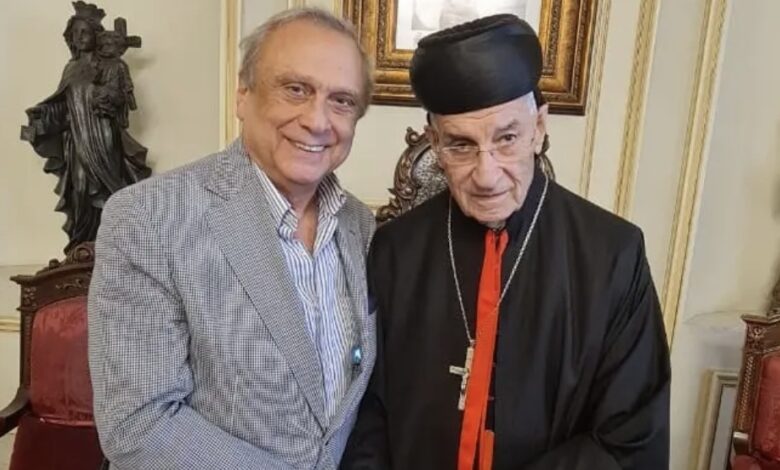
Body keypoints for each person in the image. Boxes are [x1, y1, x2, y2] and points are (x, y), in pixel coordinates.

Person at [342, 14, 670, 470]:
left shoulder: (613, 256)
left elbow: (630, 438)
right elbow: (367, 417)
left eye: (507, 139)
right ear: (435, 143)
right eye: (461, 145)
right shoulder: (395, 251)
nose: (486, 175)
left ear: (539, 128)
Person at [88, 8, 376, 470]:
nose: (318, 120)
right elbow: (139, 425)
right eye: (295, 89)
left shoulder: (362, 226)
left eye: (341, 100)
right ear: (243, 94)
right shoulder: (148, 217)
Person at [22, 1, 150, 253]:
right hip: (77, 139)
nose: (80, 37)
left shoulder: (112, 65)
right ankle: (82, 246)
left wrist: (107, 97)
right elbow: (63, 106)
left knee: (107, 187)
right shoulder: (71, 69)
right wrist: (41, 118)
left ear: (96, 35)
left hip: (103, 135)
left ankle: (113, 245)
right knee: (80, 188)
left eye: (85, 32)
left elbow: (123, 99)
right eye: (75, 33)